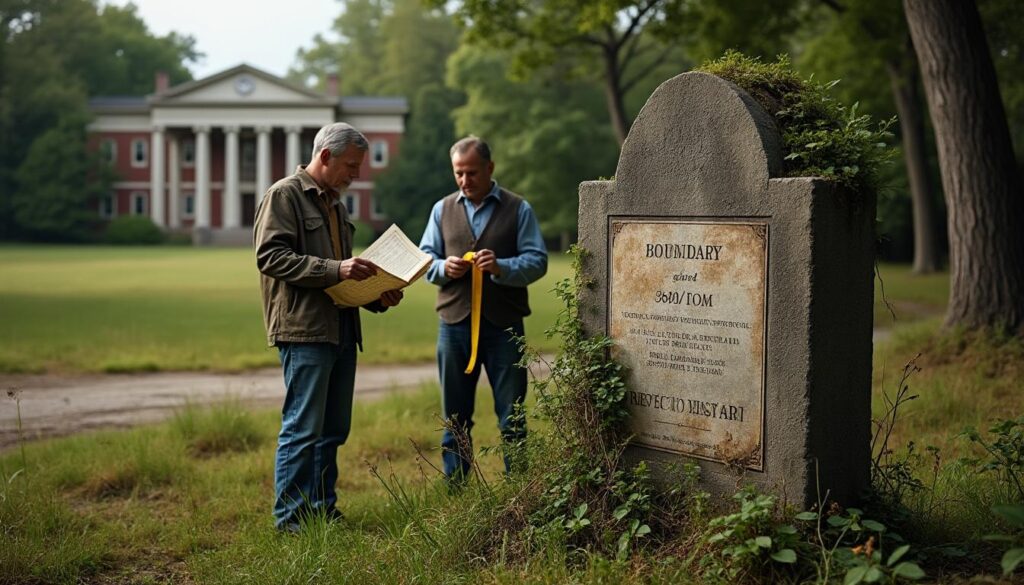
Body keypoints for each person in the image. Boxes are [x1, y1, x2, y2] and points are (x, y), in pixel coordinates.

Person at [254, 122, 403, 532]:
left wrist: (378, 295)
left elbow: (344, 277)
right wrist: (337, 268)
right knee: (302, 428)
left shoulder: (337, 206)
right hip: (304, 331)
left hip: (342, 330)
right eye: (351, 166)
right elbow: (270, 257)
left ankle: (321, 509)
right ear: (324, 156)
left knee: (333, 429)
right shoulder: (284, 195)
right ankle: (290, 519)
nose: (356, 174)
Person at [419, 136, 548, 483]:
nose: (465, 180)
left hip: (505, 326)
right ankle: (455, 485)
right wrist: (444, 267)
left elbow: (538, 261)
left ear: (490, 168)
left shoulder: (519, 208)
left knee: (512, 414)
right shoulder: (441, 209)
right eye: (458, 173)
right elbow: (424, 260)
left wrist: (502, 267)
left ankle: (519, 487)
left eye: (472, 172)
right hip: (453, 325)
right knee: (455, 415)